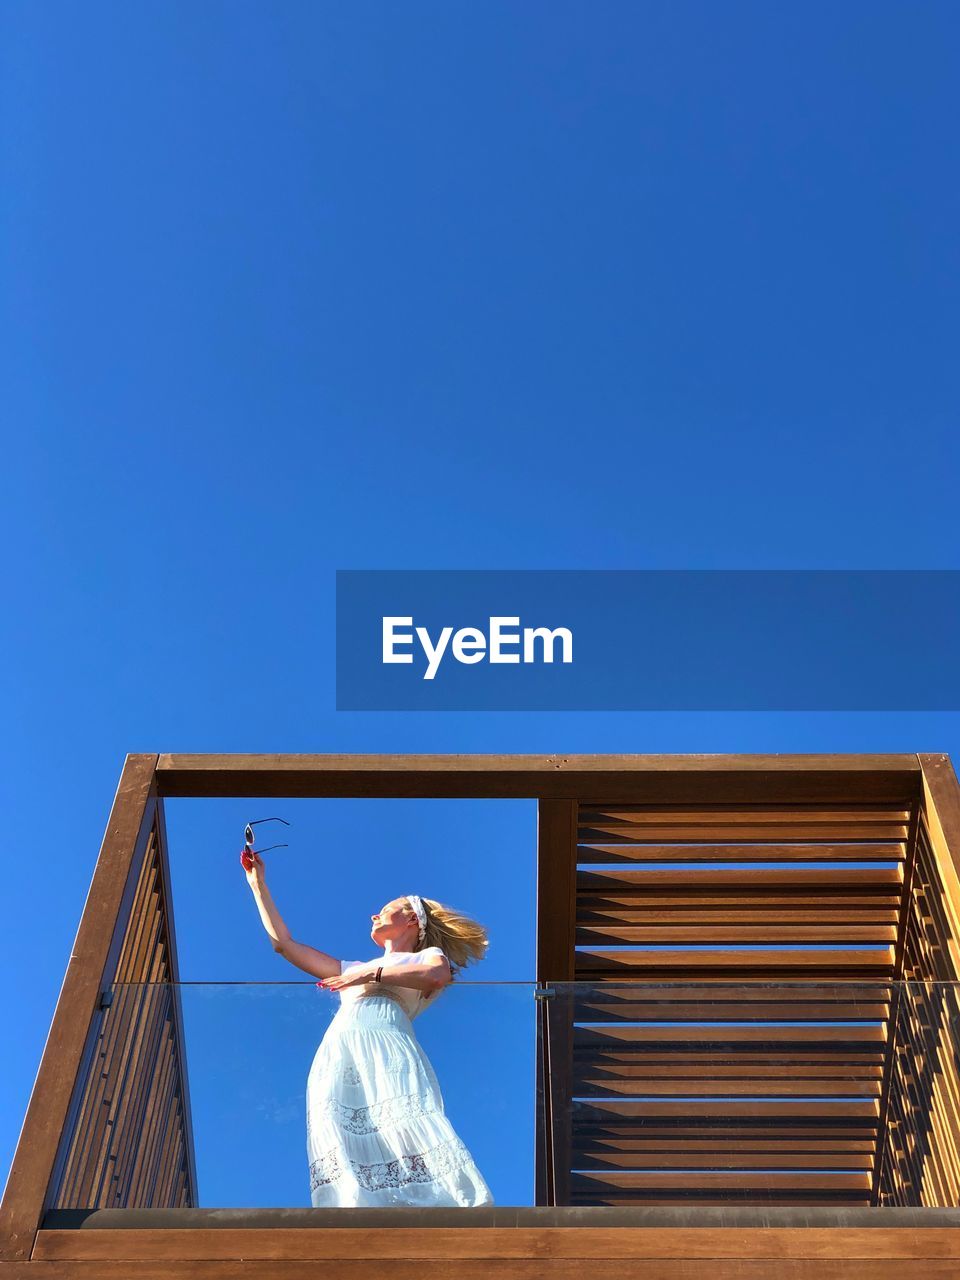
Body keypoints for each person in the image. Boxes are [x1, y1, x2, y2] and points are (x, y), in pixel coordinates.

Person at [241, 849, 495, 1208]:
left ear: (411, 920)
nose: (375, 914)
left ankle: (447, 1205)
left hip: (387, 1045)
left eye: (387, 908)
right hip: (341, 1048)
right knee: (339, 1126)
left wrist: (370, 973)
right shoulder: (352, 966)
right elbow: (284, 944)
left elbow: (437, 976)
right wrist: (257, 885)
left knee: (404, 1119)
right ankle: (353, 1208)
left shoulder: (428, 955)